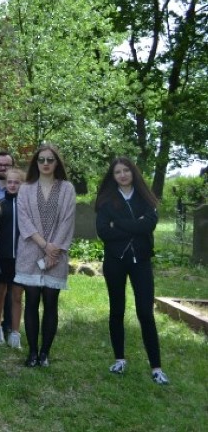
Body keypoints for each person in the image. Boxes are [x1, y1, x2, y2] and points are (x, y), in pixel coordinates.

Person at [95, 157, 169, 385]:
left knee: (145, 312)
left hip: (141, 261)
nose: (123, 175)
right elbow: (103, 232)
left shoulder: (146, 198)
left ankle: (156, 368)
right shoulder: (106, 200)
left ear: (133, 173)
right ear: (113, 176)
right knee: (116, 310)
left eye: (126, 170)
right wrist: (133, 226)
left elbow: (148, 225)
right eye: (118, 172)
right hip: (115, 260)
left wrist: (117, 224)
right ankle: (119, 359)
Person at [15, 143, 75, 368]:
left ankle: (45, 353)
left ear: (56, 162)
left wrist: (54, 249)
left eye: (50, 159)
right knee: (31, 301)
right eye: (42, 160)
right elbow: (24, 221)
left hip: (56, 256)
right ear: (36, 163)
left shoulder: (67, 188)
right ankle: (31, 352)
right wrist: (44, 246)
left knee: (51, 302)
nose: (46, 163)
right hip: (31, 252)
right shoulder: (26, 188)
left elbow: (68, 220)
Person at [0, 167, 25, 348]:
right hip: (2, 257)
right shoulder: (0, 205)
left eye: (16, 182)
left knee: (17, 296)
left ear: (22, 184)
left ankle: (15, 333)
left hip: (21, 258)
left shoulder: (27, 207)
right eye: (10, 182)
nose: (12, 185)